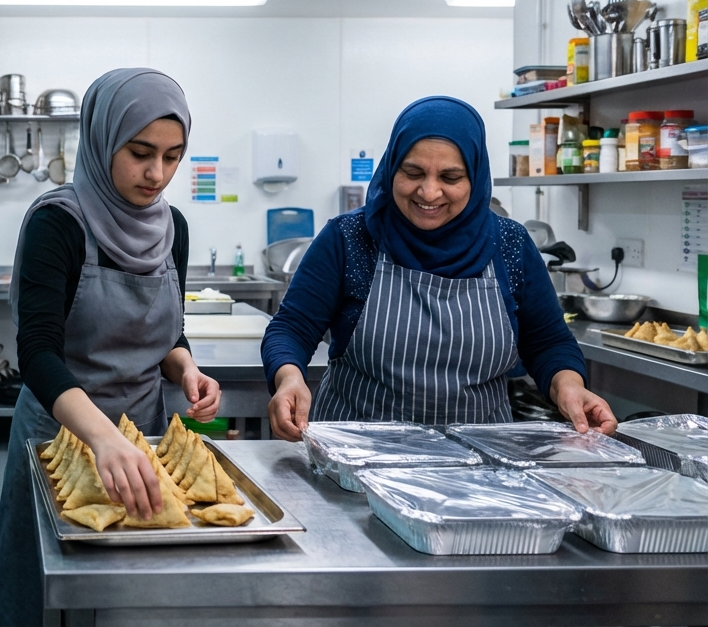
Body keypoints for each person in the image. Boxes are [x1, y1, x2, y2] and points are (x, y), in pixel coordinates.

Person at [0, 68, 222, 626]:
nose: (156, 173)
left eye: (172, 156)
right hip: (60, 438)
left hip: (144, 437)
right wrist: (103, 438)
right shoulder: (58, 223)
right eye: (140, 153)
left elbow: (169, 334)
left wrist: (187, 370)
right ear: (101, 140)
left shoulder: (172, 228)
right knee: (40, 596)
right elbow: (37, 352)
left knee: (130, 601)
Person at [261, 96, 615, 439]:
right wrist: (289, 378)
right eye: (413, 172)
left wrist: (569, 385)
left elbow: (548, 343)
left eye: (450, 177)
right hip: (355, 454)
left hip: (478, 460)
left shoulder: (510, 244)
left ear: (475, 177)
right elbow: (292, 328)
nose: (429, 192)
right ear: (391, 167)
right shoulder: (350, 237)